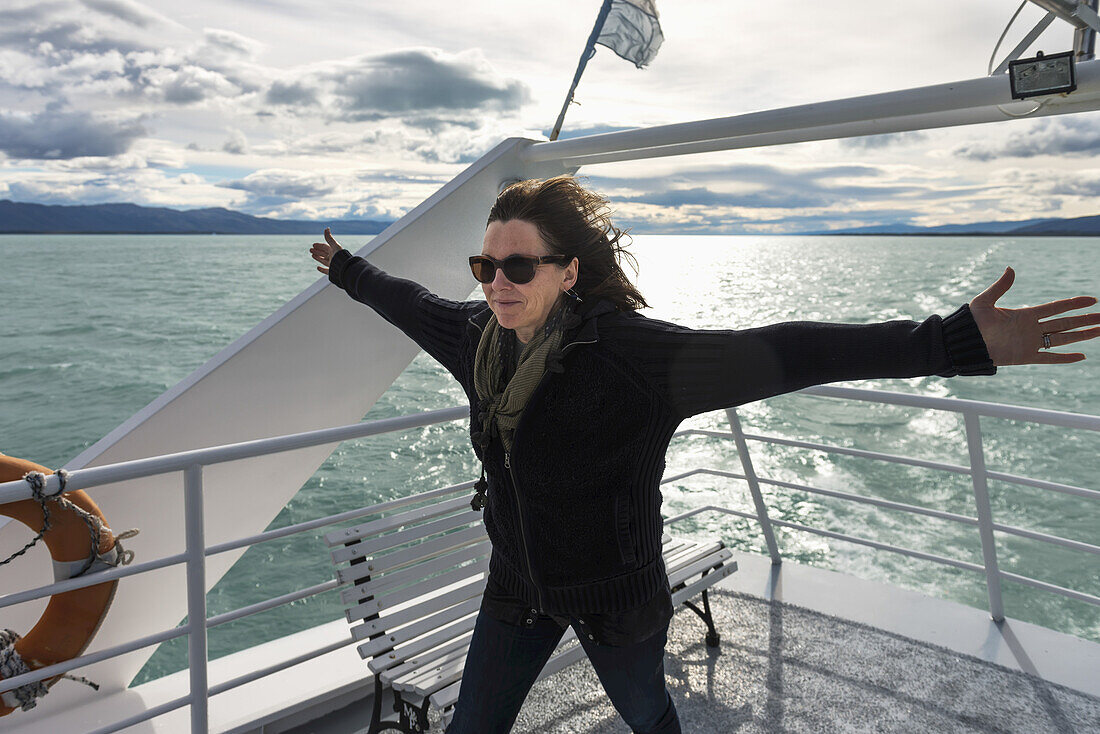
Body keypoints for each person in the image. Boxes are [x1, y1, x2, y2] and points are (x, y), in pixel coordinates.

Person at [309, 175, 1099, 734]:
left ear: (571, 270)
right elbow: (406, 302)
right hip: (518, 583)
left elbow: (789, 349)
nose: (495, 284)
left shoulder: (629, 358)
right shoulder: (480, 339)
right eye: (485, 266)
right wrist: (348, 269)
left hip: (616, 598)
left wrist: (952, 340)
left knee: (647, 713)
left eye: (518, 266)